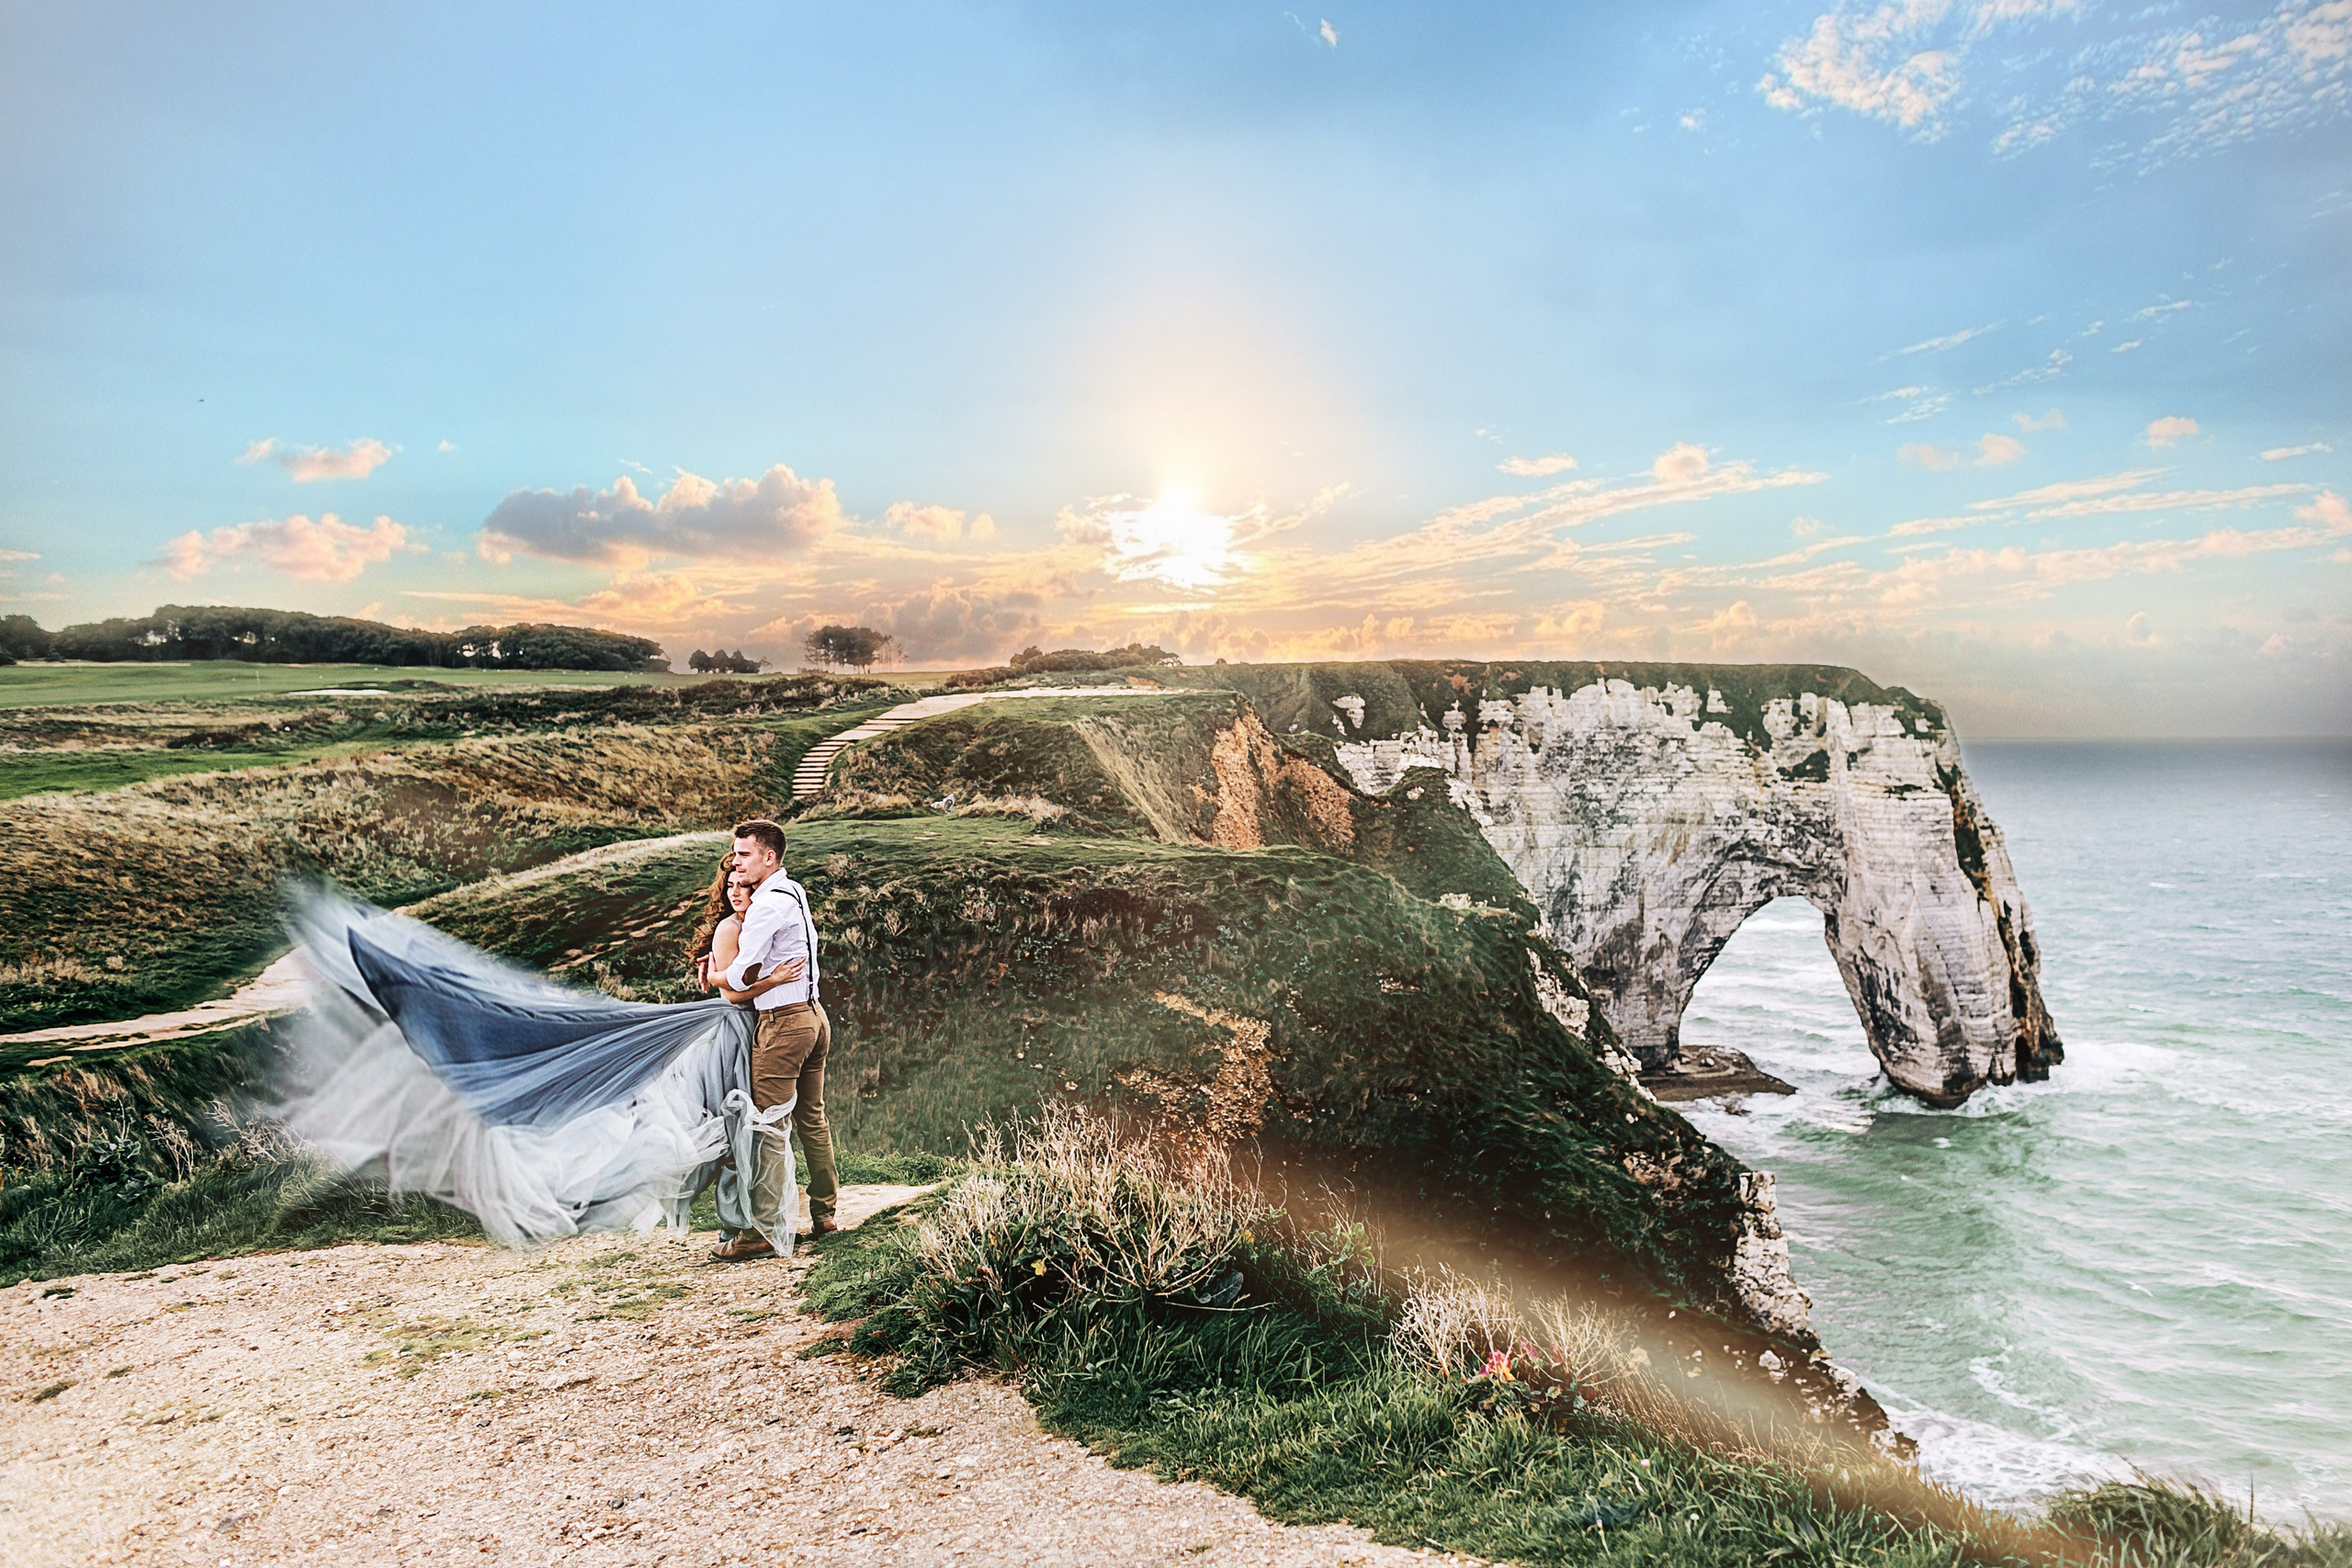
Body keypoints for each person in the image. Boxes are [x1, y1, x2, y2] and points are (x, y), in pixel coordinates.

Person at [717, 818, 840, 1258]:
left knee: (767, 1127)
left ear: (769, 857)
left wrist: (712, 973)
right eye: (735, 853)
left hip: (784, 1023)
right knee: (812, 1119)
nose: (736, 862)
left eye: (744, 854)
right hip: (814, 1015)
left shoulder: (766, 904)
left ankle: (762, 1233)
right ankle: (825, 1215)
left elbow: (736, 975)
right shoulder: (794, 890)